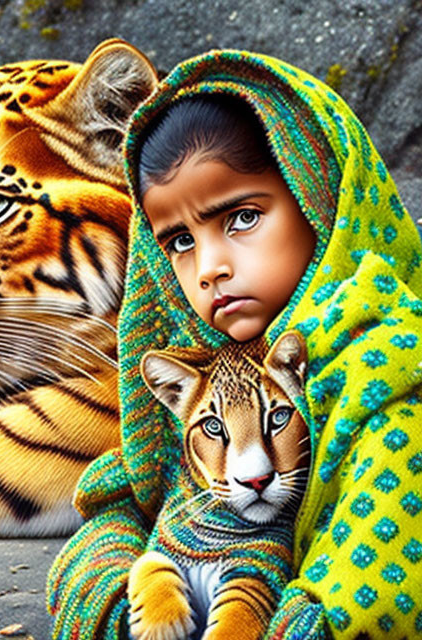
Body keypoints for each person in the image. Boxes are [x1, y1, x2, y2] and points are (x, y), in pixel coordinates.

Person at [47, 49, 422, 639]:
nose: (208, 269)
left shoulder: (392, 368)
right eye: (176, 241)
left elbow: (370, 587)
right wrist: (126, 597)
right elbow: (125, 502)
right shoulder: (201, 365)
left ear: (316, 194)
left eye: (242, 218)